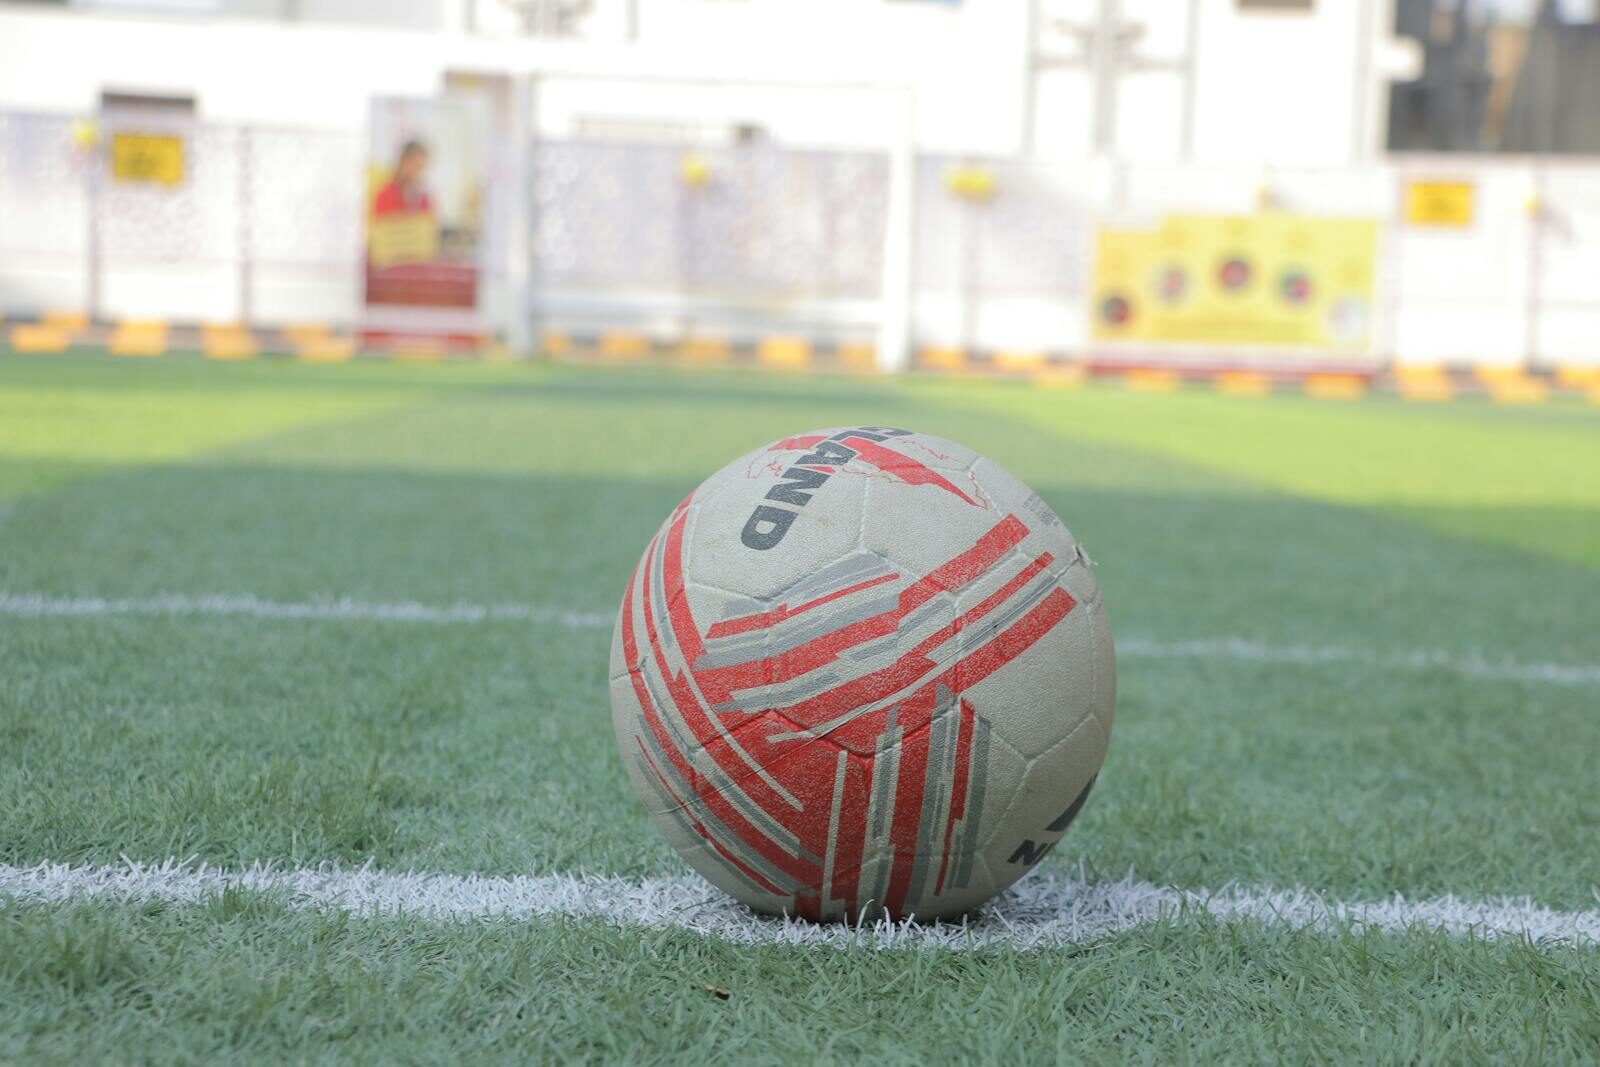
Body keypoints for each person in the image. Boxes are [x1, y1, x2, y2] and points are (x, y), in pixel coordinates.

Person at [372, 140, 433, 217]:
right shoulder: (385, 195)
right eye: (414, 165)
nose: (417, 173)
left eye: (421, 167)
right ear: (403, 163)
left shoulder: (423, 199)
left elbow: (427, 224)